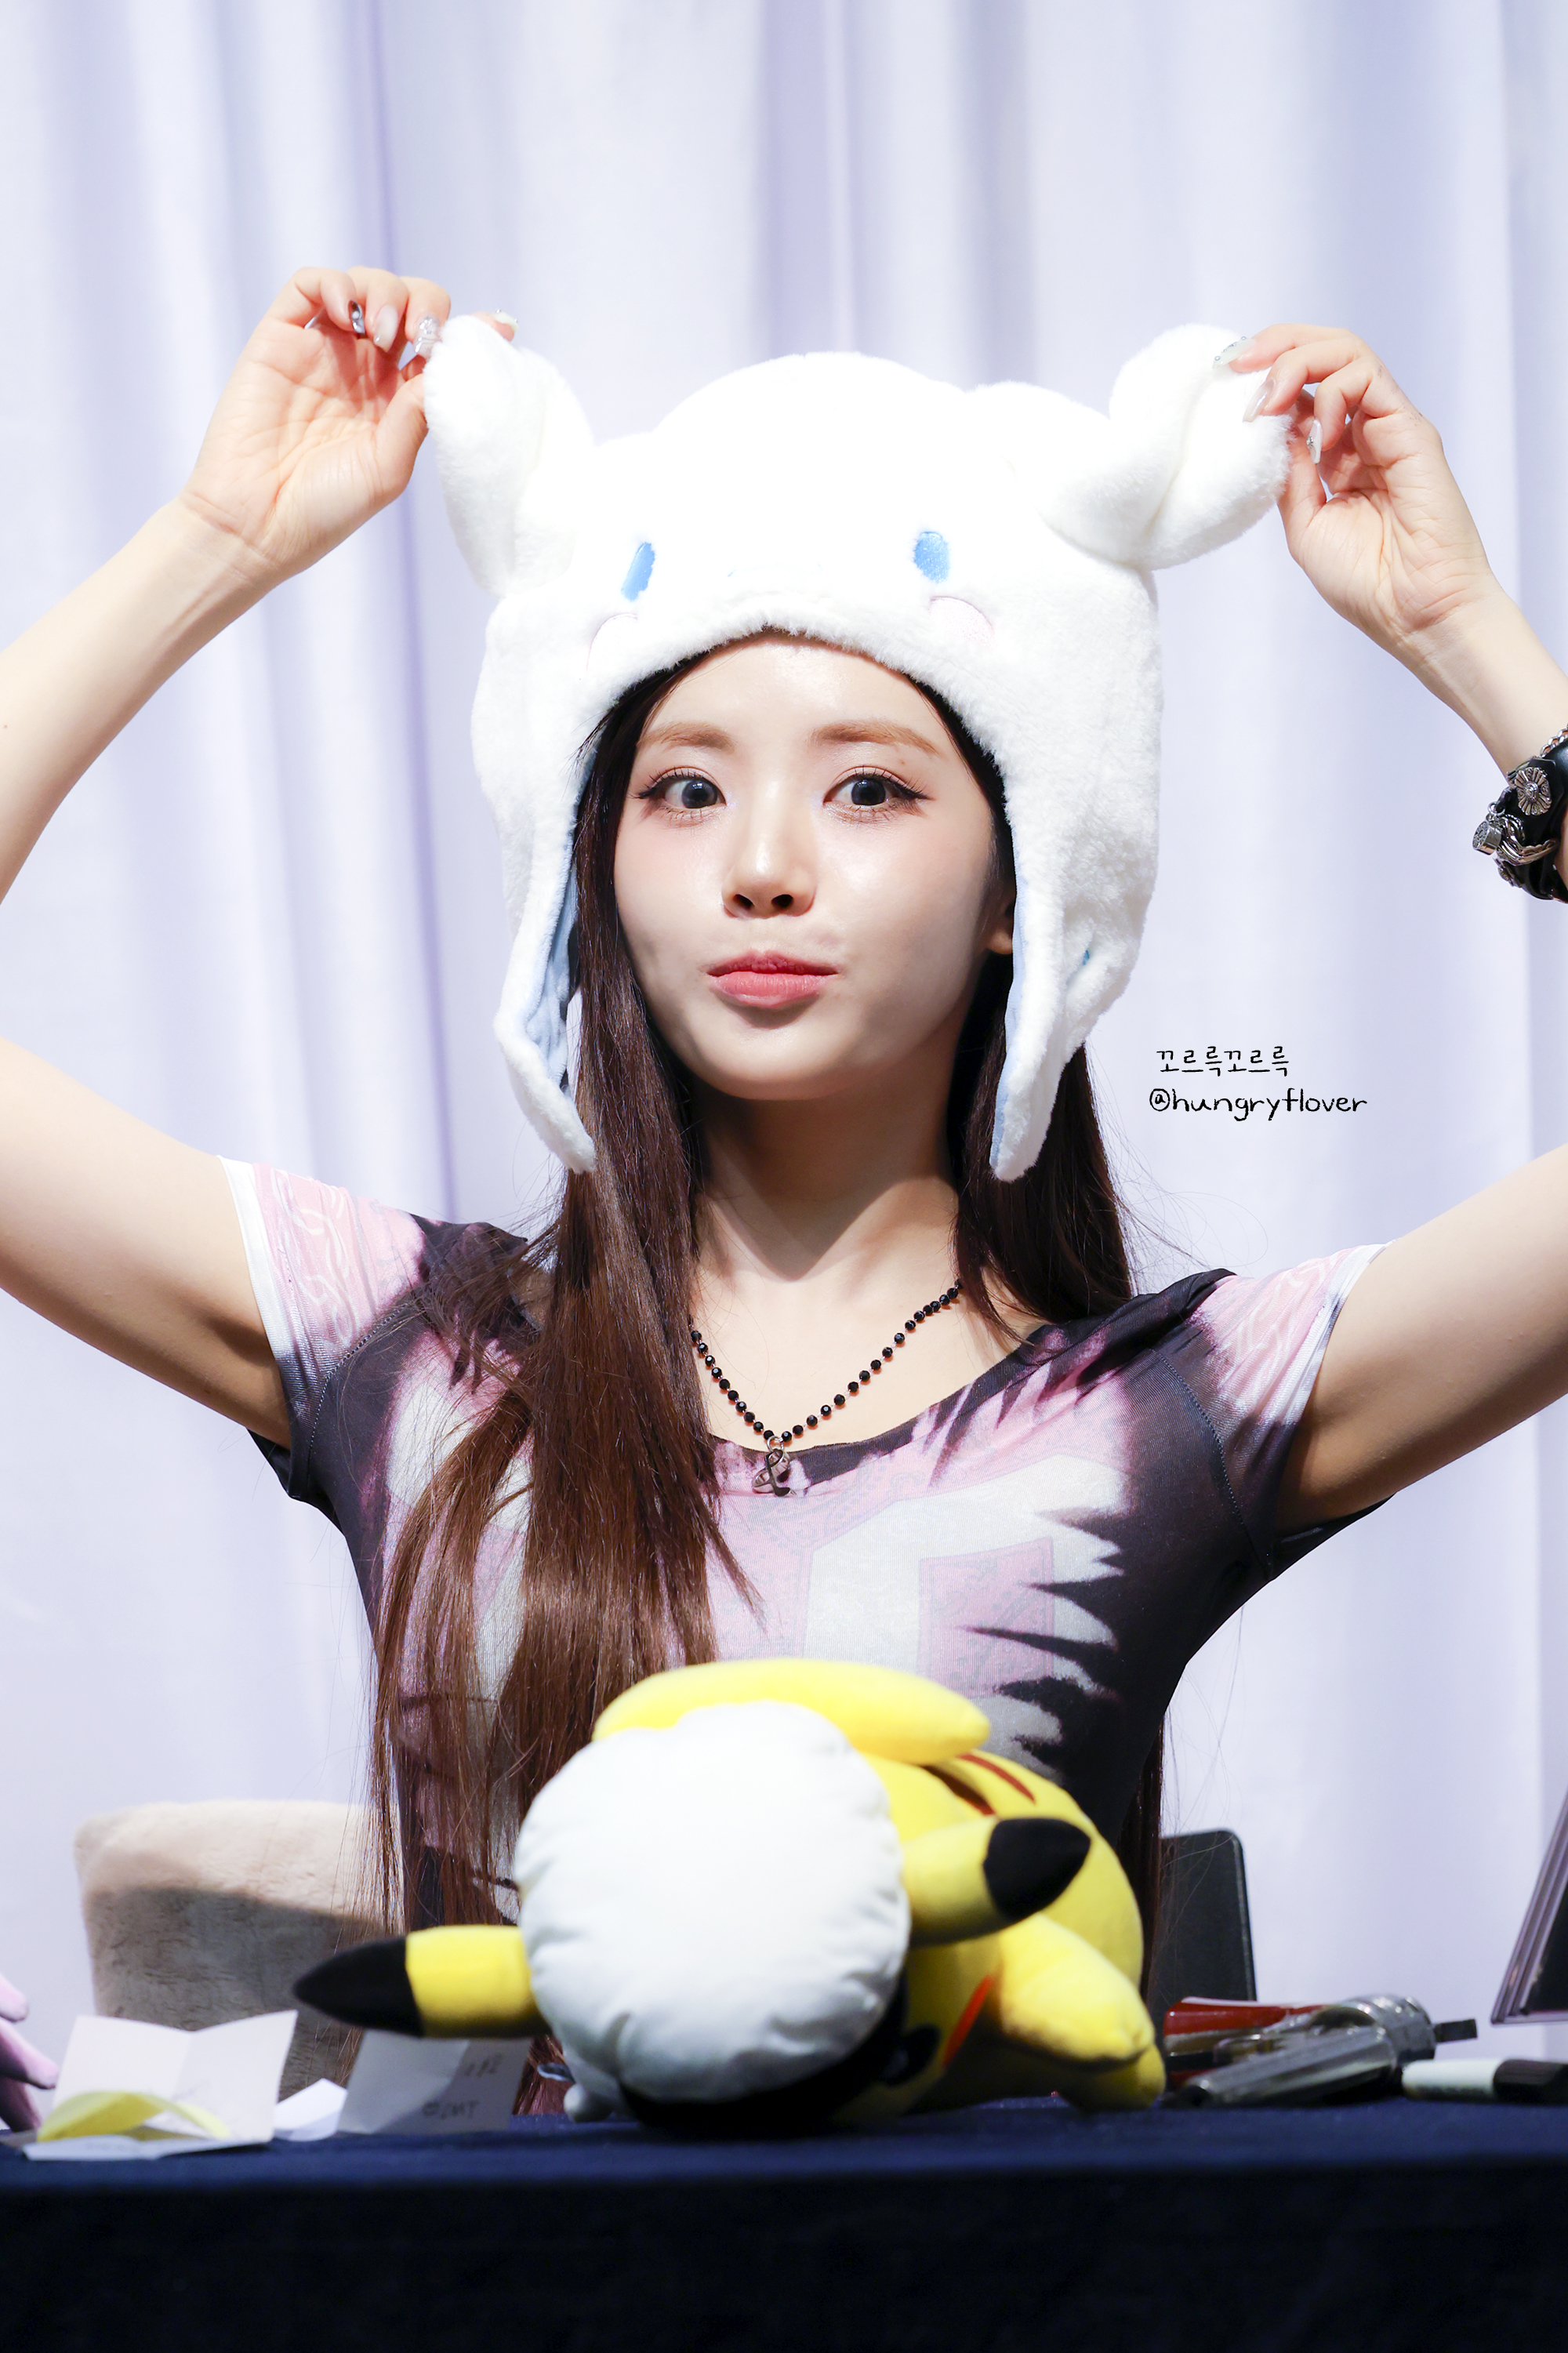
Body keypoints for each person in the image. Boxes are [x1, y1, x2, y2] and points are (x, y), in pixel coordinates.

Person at [5, 267, 1568, 2118]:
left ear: (1027, 882)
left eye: (870, 792)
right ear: (592, 869)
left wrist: (1466, 632)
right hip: (465, 2269)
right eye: (681, 792)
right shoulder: (414, 1353)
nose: (761, 864)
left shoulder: (1174, 1404)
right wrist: (214, 542)